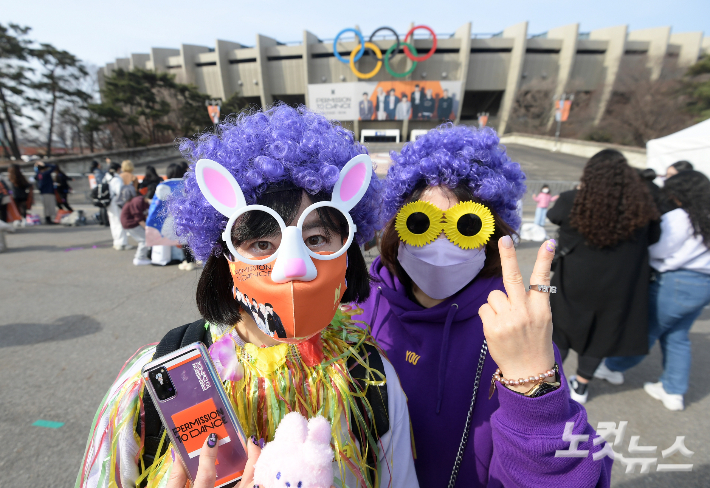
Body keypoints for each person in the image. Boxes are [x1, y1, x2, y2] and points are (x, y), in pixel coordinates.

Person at [77, 105, 418, 488]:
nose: (294, 266)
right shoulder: (154, 380)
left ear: (347, 246)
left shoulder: (369, 377)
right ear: (223, 255)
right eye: (261, 242)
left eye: (317, 238)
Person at [356, 124, 611, 487]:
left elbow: (570, 473)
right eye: (421, 223)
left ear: (493, 234)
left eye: (465, 226)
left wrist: (534, 390)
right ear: (396, 225)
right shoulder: (359, 304)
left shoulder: (513, 328)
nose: (440, 245)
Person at [548, 149, 660, 404]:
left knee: (560, 331)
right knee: (601, 333)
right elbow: (654, 238)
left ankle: (550, 383)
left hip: (573, 280)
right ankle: (581, 386)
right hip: (618, 283)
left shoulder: (571, 200)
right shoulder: (641, 207)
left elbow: (555, 216)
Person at [599, 170, 710, 411]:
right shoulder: (706, 216)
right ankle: (673, 390)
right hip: (704, 285)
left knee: (645, 331)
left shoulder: (681, 217)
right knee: (678, 336)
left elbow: (658, 250)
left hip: (675, 282)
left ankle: (613, 368)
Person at [120, 184, 155, 266]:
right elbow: (138, 218)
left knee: (147, 238)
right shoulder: (138, 201)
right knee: (144, 239)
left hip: (134, 222)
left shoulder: (145, 202)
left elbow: (146, 215)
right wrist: (147, 228)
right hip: (130, 223)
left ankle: (145, 256)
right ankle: (139, 258)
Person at [106, 161, 129, 250]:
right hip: (116, 203)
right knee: (120, 222)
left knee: (113, 222)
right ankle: (122, 243)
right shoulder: (117, 178)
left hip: (109, 203)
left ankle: (116, 241)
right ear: (118, 169)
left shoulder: (106, 177)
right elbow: (120, 192)